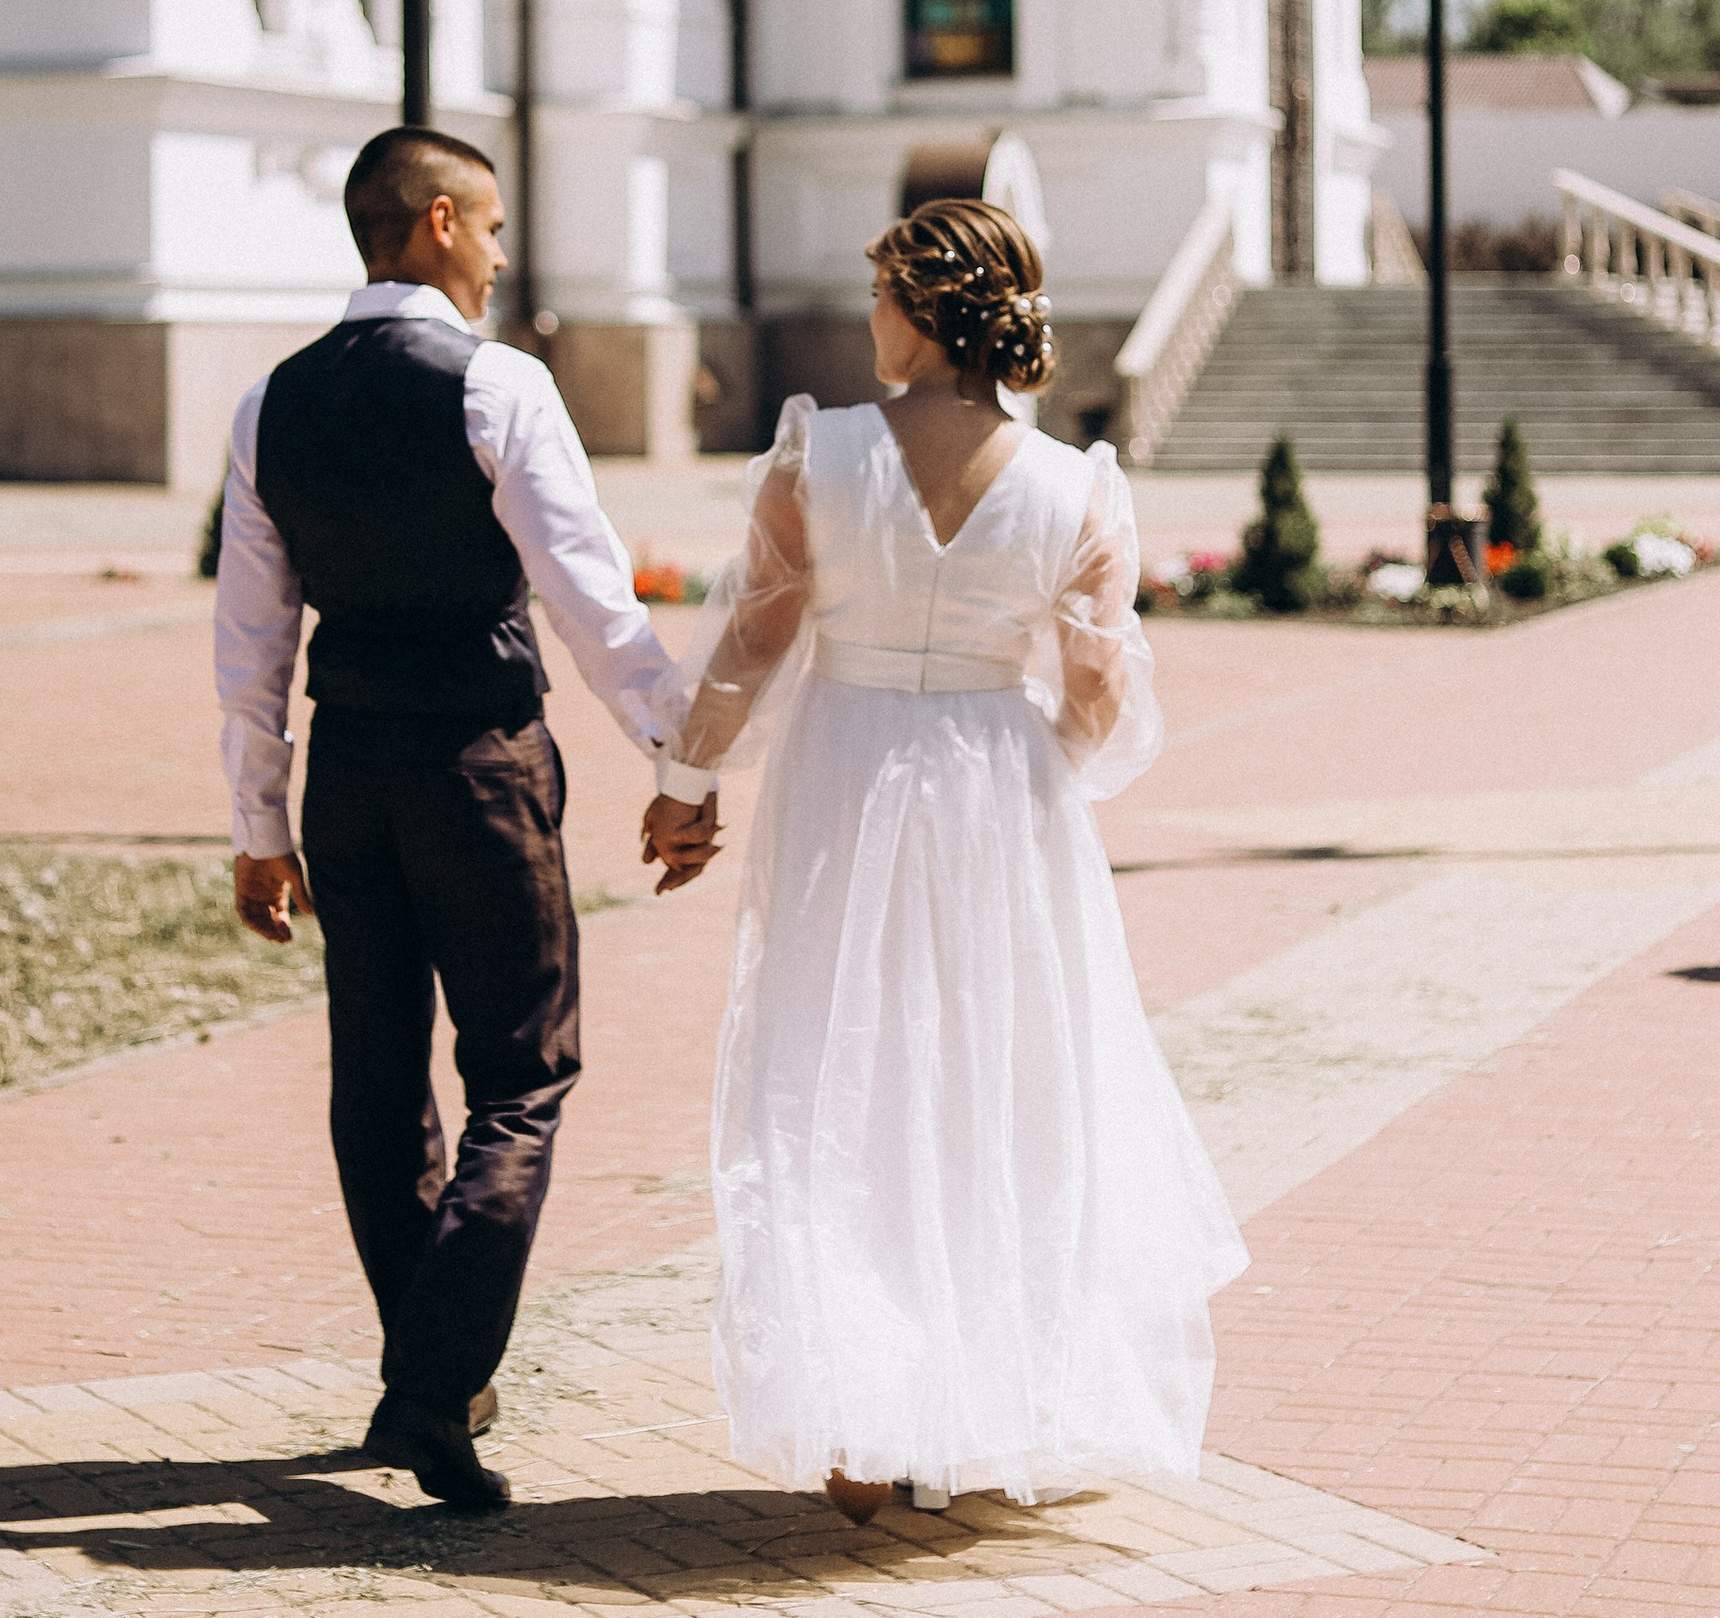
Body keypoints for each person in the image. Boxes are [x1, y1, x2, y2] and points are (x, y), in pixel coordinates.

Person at [661, 199, 1247, 1520]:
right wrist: (1033, 756)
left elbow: (750, 642)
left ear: (922, 310)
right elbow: (1102, 697)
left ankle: (863, 1419)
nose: (869, 318)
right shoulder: (1078, 486)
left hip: (845, 772)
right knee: (1000, 1082)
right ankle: (981, 1401)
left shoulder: (818, 456)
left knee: (839, 1070)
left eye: (880, 294)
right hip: (1002, 792)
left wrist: (684, 779)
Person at [215, 127, 718, 1513]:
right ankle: (433, 1386)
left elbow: (247, 637)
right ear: (438, 223)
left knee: (375, 1080)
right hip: (479, 763)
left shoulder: (271, 403)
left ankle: (429, 1369)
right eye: (491, 229)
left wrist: (259, 823)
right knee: (523, 1075)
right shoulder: (497, 385)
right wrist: (682, 760)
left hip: (346, 770)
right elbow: (590, 596)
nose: (501, 257)